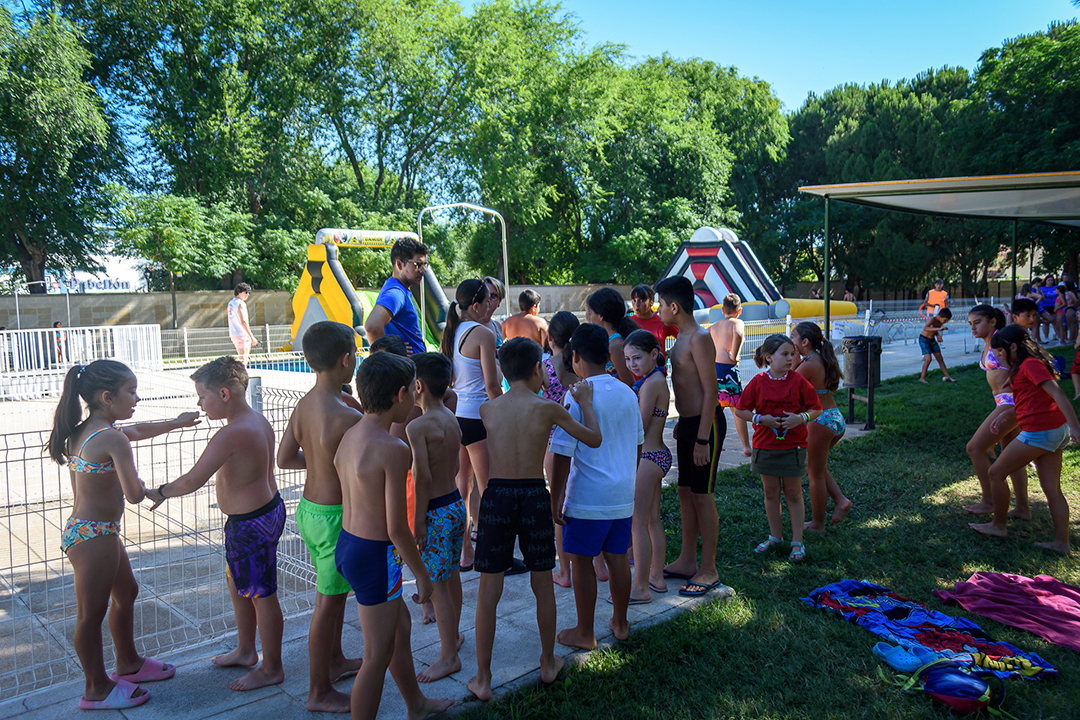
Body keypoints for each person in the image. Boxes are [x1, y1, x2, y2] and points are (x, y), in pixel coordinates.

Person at [48, 360, 197, 710]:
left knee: (126, 591)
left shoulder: (89, 429)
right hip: (94, 536)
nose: (137, 398)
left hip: (93, 531)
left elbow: (138, 429)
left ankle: (128, 663)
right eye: (131, 392)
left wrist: (175, 423)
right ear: (107, 397)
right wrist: (147, 488)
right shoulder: (112, 438)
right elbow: (132, 494)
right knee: (91, 613)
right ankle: (96, 688)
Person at [468, 336, 600, 698]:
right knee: (542, 584)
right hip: (532, 496)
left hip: (496, 497)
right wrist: (585, 403)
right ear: (537, 369)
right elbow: (593, 438)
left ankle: (482, 677)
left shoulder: (488, 409)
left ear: (505, 372)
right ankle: (547, 661)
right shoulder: (548, 408)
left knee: (487, 590)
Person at [147, 357, 284, 692]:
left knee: (261, 594)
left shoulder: (231, 434)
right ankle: (246, 649)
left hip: (250, 525)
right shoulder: (257, 420)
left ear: (224, 394)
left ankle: (272, 667)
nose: (199, 403)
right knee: (241, 585)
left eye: (202, 396)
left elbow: (193, 480)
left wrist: (160, 491)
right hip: (265, 513)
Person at [332, 352, 454, 719]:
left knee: (399, 626)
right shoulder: (394, 449)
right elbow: (396, 528)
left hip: (349, 545)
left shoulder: (351, 434)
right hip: (374, 555)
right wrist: (423, 575)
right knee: (376, 656)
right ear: (401, 395)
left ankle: (415, 704)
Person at [275, 322, 362, 713]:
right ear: (346, 361)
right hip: (334, 517)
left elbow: (284, 458)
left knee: (335, 591)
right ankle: (318, 691)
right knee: (327, 602)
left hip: (309, 510)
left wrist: (320, 463)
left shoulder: (305, 404)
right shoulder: (345, 416)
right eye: (356, 355)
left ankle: (336, 660)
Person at [549, 324, 641, 648]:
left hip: (588, 497)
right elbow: (638, 445)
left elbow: (561, 454)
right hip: (622, 493)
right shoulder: (628, 393)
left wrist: (556, 497)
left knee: (580, 560)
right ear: (608, 356)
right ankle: (621, 621)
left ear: (574, 356)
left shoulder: (577, 395)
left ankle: (585, 632)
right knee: (618, 557)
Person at [970, 325, 1080, 554]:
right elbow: (1032, 400)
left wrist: (1076, 427)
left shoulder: (1030, 364)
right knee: (1052, 489)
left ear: (1013, 346)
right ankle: (1062, 544)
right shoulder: (1021, 365)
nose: (998, 355)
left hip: (1042, 433)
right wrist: (1008, 415)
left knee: (996, 473)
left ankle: (998, 526)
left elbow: (1057, 393)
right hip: (1052, 432)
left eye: (1000, 351)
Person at [653, 276, 722, 597]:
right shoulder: (680, 337)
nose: (658, 309)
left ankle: (709, 567)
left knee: (701, 495)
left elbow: (711, 391)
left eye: (660, 304)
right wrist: (684, 424)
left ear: (674, 306)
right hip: (689, 425)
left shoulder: (698, 338)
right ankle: (687, 559)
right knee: (684, 492)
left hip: (705, 426)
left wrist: (703, 439)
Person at [733, 335, 822, 562]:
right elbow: (741, 411)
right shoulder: (757, 382)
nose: (791, 358)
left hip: (794, 447)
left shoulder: (799, 381)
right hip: (765, 447)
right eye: (785, 354)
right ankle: (775, 537)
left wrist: (800, 418)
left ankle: (797, 542)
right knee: (770, 493)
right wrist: (760, 419)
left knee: (793, 494)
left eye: (792, 354)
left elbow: (816, 409)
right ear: (768, 357)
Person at [405, 352, 467, 683]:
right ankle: (453, 637)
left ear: (418, 386)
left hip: (436, 511)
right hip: (456, 503)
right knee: (451, 576)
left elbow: (422, 477)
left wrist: (417, 521)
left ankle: (448, 657)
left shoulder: (417, 426)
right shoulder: (451, 418)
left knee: (438, 586)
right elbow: (454, 467)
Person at [440, 279, 501, 570]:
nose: (492, 304)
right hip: (478, 417)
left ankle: (466, 552)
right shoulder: (482, 333)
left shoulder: (452, 331)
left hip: (456, 416)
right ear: (476, 305)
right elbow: (492, 385)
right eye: (489, 299)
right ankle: (491, 553)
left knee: (461, 487)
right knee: (490, 488)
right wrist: (504, 417)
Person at [960, 306, 1029, 520]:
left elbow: (1024, 360)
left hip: (1010, 403)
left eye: (977, 322)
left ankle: (988, 501)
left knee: (975, 447)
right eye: (970, 323)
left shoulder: (1001, 339)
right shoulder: (988, 342)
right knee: (1011, 456)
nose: (973, 327)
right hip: (1003, 402)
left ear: (992, 322)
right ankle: (1023, 509)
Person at [790, 322, 852, 533]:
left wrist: (794, 362)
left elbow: (786, 386)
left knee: (814, 474)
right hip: (833, 418)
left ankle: (818, 524)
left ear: (804, 342)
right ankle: (841, 501)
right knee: (819, 467)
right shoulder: (818, 358)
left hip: (819, 422)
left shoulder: (808, 363)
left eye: (793, 337)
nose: (791, 341)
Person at [623, 330, 671, 601]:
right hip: (658, 456)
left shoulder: (651, 384)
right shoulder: (655, 379)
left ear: (654, 353)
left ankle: (640, 587)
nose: (631, 364)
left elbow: (638, 427)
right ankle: (657, 577)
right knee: (652, 520)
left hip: (649, 457)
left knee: (638, 522)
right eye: (628, 359)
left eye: (637, 358)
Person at [543, 311, 581, 589]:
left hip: (555, 441)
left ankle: (565, 571)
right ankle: (598, 565)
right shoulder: (581, 364)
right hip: (582, 436)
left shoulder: (544, 366)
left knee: (558, 505)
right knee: (583, 499)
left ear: (550, 338)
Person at [363, 237, 430, 355]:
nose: (423, 270)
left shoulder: (400, 289)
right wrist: (387, 356)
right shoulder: (396, 292)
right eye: (417, 265)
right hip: (407, 370)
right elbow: (372, 326)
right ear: (399, 264)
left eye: (425, 264)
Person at [709, 293, 752, 457]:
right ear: (739, 310)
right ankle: (746, 446)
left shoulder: (713, 326)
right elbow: (739, 334)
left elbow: (706, 339)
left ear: (722, 309)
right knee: (737, 409)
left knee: (714, 407)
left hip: (714, 367)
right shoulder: (738, 322)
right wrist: (735, 355)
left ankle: (715, 443)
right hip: (728, 369)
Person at [585, 287, 638, 386]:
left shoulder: (615, 344)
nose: (589, 318)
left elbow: (629, 383)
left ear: (601, 316)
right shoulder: (609, 341)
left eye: (590, 313)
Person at [629, 284, 678, 349]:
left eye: (641, 301)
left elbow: (683, 337)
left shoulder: (663, 321)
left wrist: (672, 352)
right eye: (634, 300)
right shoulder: (628, 322)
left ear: (651, 302)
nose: (637, 304)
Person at [918, 308, 955, 383]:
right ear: (939, 316)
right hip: (924, 339)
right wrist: (939, 329)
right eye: (945, 320)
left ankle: (948, 377)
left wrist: (938, 335)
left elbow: (934, 329)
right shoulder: (932, 319)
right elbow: (925, 328)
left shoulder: (940, 321)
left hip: (932, 340)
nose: (946, 322)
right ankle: (922, 378)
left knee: (940, 359)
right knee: (928, 359)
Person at [227, 283, 259, 366]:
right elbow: (243, 321)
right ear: (239, 292)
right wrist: (252, 337)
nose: (247, 295)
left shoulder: (231, 303)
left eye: (249, 293)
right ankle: (242, 378)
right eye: (246, 292)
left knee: (242, 358)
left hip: (234, 334)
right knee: (244, 361)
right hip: (242, 334)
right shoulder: (241, 303)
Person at [1037, 274, 1062, 345]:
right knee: (1046, 322)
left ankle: (1060, 337)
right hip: (1044, 306)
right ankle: (1046, 337)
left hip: (1054, 306)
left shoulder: (1056, 287)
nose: (1050, 282)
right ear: (1046, 281)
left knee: (1055, 322)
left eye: (1051, 280)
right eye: (1049, 280)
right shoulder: (1041, 288)